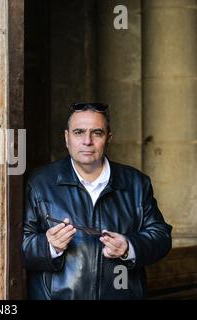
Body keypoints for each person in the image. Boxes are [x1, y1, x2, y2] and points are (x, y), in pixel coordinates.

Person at [22, 102, 172, 300]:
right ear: (67, 138)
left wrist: (129, 247)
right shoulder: (39, 182)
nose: (87, 141)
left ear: (108, 138)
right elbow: (16, 246)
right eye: (78, 132)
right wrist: (49, 246)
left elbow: (161, 237)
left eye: (97, 133)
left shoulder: (136, 183)